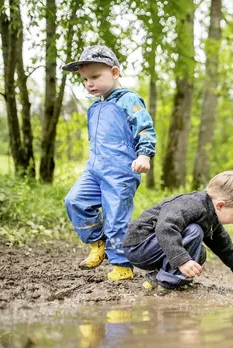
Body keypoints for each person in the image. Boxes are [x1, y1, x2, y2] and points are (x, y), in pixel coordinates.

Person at [63, 45, 156, 281]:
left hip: (121, 172)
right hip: (95, 169)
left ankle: (122, 264)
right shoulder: (94, 106)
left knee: (116, 218)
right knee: (75, 201)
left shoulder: (129, 100)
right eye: (85, 79)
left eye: (95, 77)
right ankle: (97, 242)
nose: (89, 83)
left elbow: (144, 128)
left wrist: (144, 155)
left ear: (114, 72)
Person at [123, 170, 233, 291]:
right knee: (194, 231)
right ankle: (167, 283)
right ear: (220, 206)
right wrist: (182, 261)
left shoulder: (211, 216)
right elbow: (165, 228)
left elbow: (224, 246)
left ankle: (157, 278)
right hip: (140, 245)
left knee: (199, 253)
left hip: (157, 247)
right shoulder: (192, 204)